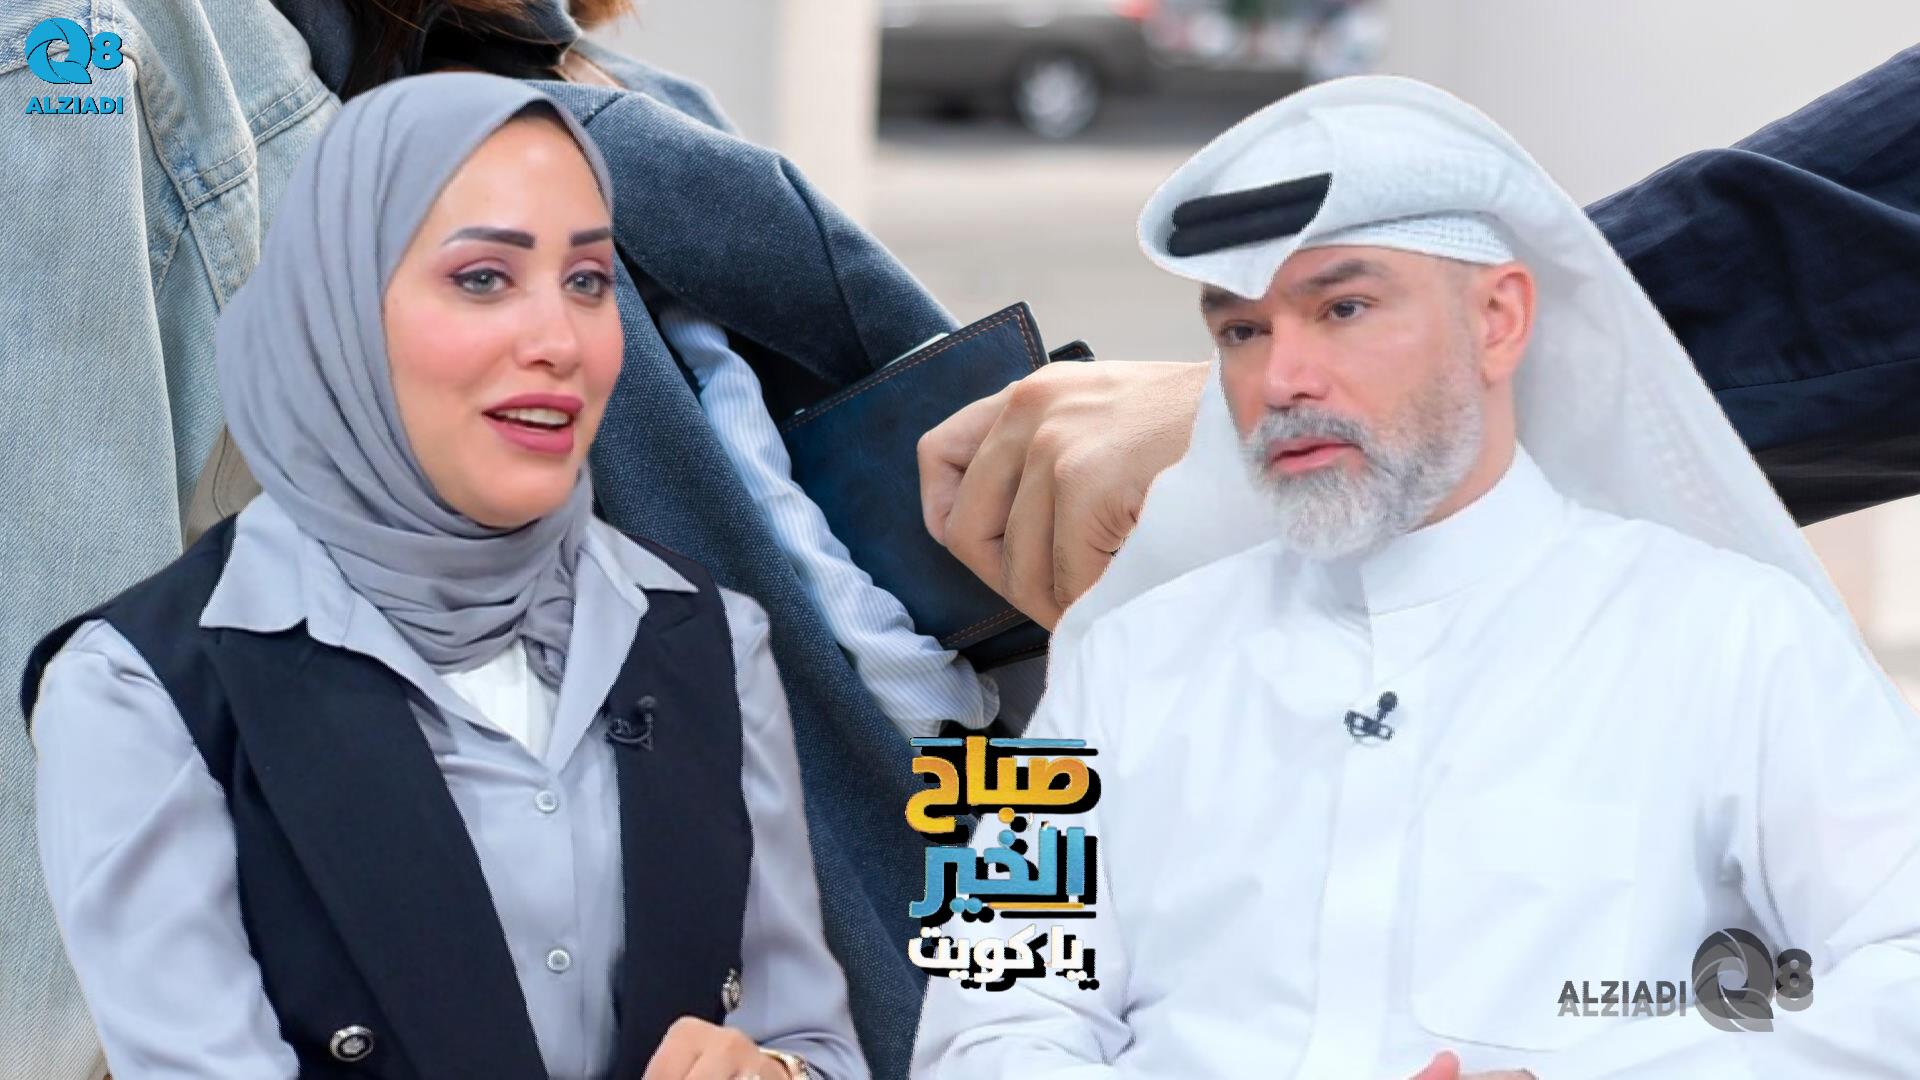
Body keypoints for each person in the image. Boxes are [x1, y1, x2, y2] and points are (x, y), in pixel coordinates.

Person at [911, 76, 1920, 1078]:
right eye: (1242, 332)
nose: (1283, 380)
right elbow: (986, 1021)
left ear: (1499, 320)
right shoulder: (1124, 657)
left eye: (1342, 308)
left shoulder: (1734, 635)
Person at [24, 73, 861, 1080]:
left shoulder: (704, 633)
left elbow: (810, 1035)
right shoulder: (138, 689)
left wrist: (773, 1073)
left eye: (587, 281)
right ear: (335, 310)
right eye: (483, 278)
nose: (557, 342)